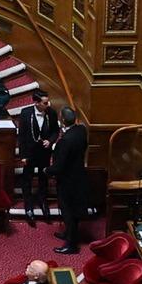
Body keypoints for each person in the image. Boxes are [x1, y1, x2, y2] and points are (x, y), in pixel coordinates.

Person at [51, 104, 92, 255]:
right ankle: (69, 234)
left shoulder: (65, 141)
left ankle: (71, 245)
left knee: (69, 213)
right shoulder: (81, 130)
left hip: (68, 181)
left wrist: (46, 170)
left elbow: (59, 166)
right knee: (71, 212)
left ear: (61, 119)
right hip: (78, 177)